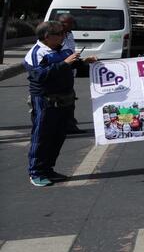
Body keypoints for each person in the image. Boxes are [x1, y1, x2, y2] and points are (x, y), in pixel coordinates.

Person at [25, 21, 96, 186]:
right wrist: (65, 63)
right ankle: (36, 172)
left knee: (58, 136)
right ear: (47, 36)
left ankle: (48, 169)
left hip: (65, 99)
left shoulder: (62, 49)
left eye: (63, 33)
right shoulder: (37, 53)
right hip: (45, 100)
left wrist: (84, 62)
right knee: (42, 136)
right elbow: (39, 76)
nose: (63, 36)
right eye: (59, 34)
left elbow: (71, 65)